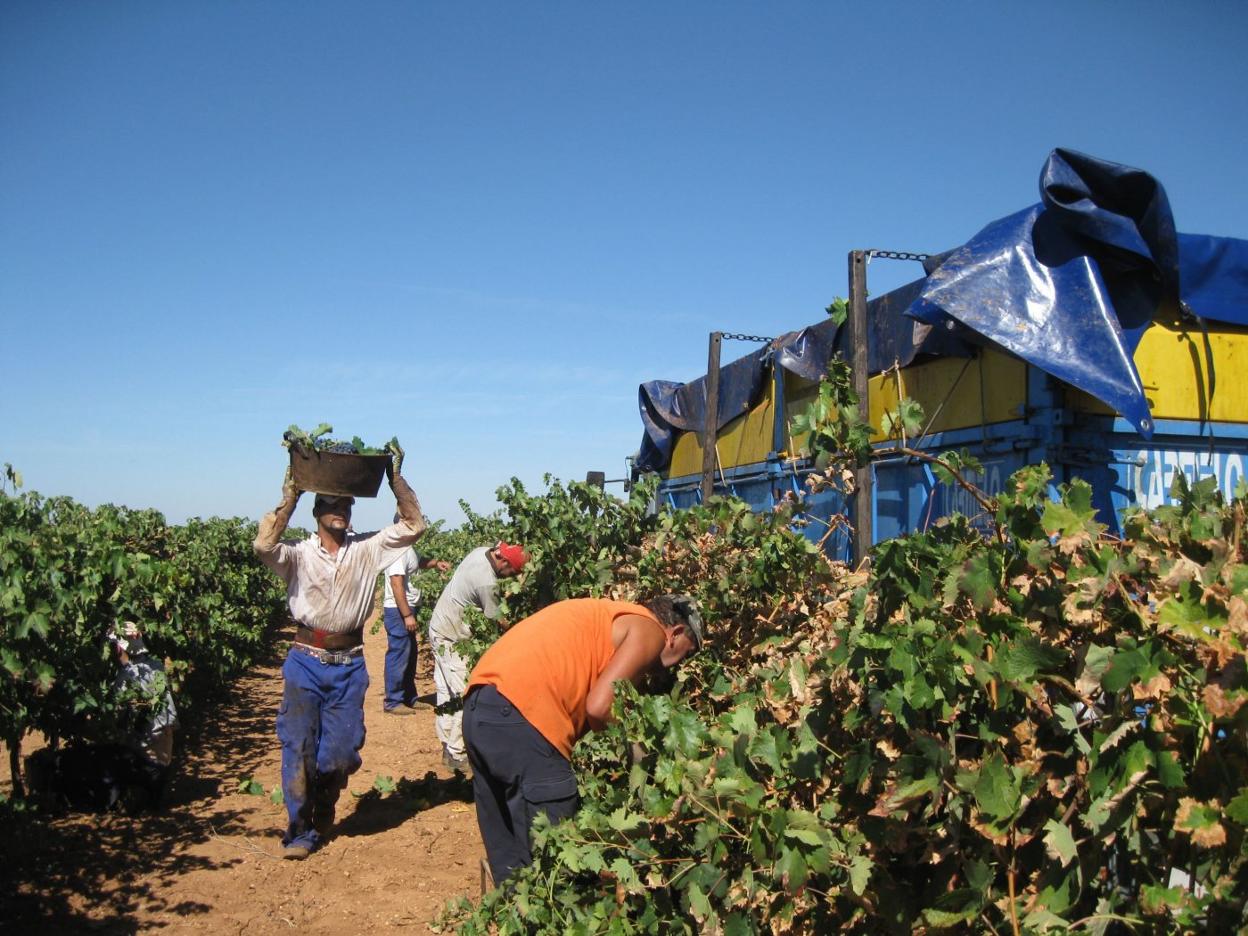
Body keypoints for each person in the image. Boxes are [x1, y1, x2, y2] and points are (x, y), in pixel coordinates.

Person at [254, 454, 427, 859]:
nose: (341, 511)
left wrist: (395, 480)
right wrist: (292, 492)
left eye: (346, 505)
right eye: (332, 505)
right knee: (297, 747)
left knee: (341, 753)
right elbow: (263, 543)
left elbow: (415, 525)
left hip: (348, 664)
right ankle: (299, 831)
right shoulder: (297, 554)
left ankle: (327, 797)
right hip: (304, 661)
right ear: (317, 512)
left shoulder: (369, 548)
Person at [462, 594, 704, 885]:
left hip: (479, 708)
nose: (677, 666)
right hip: (526, 715)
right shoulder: (649, 630)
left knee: (513, 869)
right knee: (559, 863)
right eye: (686, 655)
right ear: (675, 634)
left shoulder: (606, 615)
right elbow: (600, 708)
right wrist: (641, 761)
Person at [426, 542, 527, 771]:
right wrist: (522, 631)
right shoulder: (486, 583)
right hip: (453, 640)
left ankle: (447, 746)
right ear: (503, 562)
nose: (513, 577)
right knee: (466, 694)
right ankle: (457, 755)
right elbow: (497, 619)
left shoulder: (480, 552)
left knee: (446, 692)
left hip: (439, 627)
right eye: (513, 572)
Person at [381, 518, 450, 715]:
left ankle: (409, 697)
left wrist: (436, 563)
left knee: (410, 653)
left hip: (407, 608)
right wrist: (407, 615)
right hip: (398, 610)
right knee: (399, 653)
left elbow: (417, 562)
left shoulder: (407, 548)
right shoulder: (397, 551)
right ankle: (393, 701)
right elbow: (396, 584)